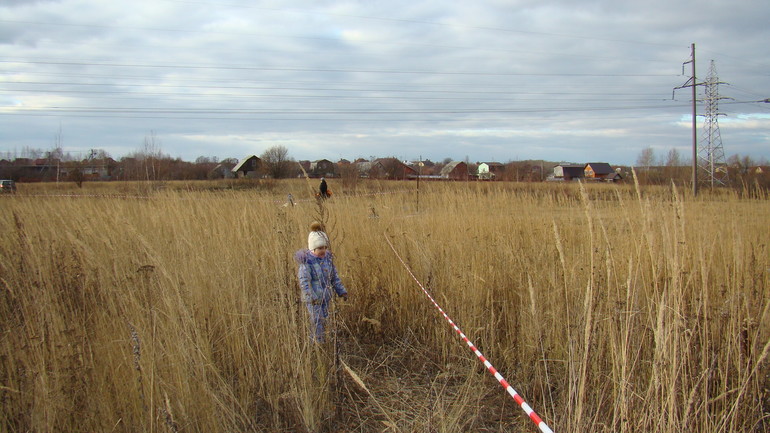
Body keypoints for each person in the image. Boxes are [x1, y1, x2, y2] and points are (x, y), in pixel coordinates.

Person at [294, 222, 348, 342]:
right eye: (319, 248)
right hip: (314, 300)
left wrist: (342, 291)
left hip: (325, 297)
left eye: (324, 247)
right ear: (312, 248)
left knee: (325, 319)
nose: (323, 250)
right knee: (316, 320)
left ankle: (325, 340)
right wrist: (311, 297)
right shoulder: (307, 263)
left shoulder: (327, 260)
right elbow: (304, 282)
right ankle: (316, 342)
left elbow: (334, 278)